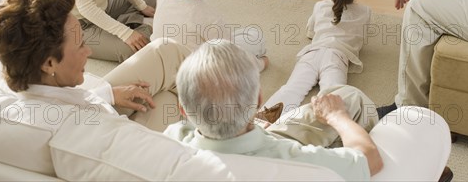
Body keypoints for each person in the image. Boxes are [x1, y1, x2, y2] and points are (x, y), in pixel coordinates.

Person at [164, 39, 383, 181]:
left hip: (256, 135)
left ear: (182, 110)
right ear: (259, 99)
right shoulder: (298, 162)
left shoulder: (171, 140)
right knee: (350, 98)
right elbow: (370, 159)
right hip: (268, 145)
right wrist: (338, 117)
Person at [0, 0, 189, 132]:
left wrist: (107, 95)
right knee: (167, 99)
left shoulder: (8, 88)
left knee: (165, 51)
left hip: (98, 109)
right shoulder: (75, 128)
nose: (89, 52)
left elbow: (70, 102)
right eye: (81, 46)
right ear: (49, 64)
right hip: (124, 138)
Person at [261, 0, 371, 119]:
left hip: (312, 53)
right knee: (332, 96)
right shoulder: (365, 11)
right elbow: (361, 39)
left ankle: (264, 119)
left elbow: (310, 32)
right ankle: (328, 127)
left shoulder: (320, 6)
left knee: (291, 88)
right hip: (336, 57)